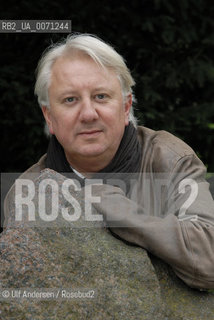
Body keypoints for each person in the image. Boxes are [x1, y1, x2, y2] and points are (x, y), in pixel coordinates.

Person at [4, 33, 214, 290]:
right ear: (49, 116)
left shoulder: (168, 160)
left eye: (101, 96)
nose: (89, 114)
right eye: (70, 100)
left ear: (126, 107)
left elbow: (208, 258)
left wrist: (117, 210)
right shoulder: (28, 191)